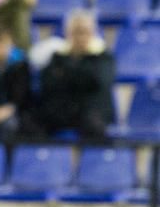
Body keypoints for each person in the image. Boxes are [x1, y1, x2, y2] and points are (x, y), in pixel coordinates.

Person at [28, 9, 115, 138]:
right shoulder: (57, 57)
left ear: (93, 33)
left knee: (93, 125)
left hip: (93, 112)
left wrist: (66, 73)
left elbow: (98, 81)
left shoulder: (104, 58)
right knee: (30, 122)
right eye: (76, 32)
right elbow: (48, 83)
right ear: (67, 33)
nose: (80, 37)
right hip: (63, 112)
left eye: (85, 32)